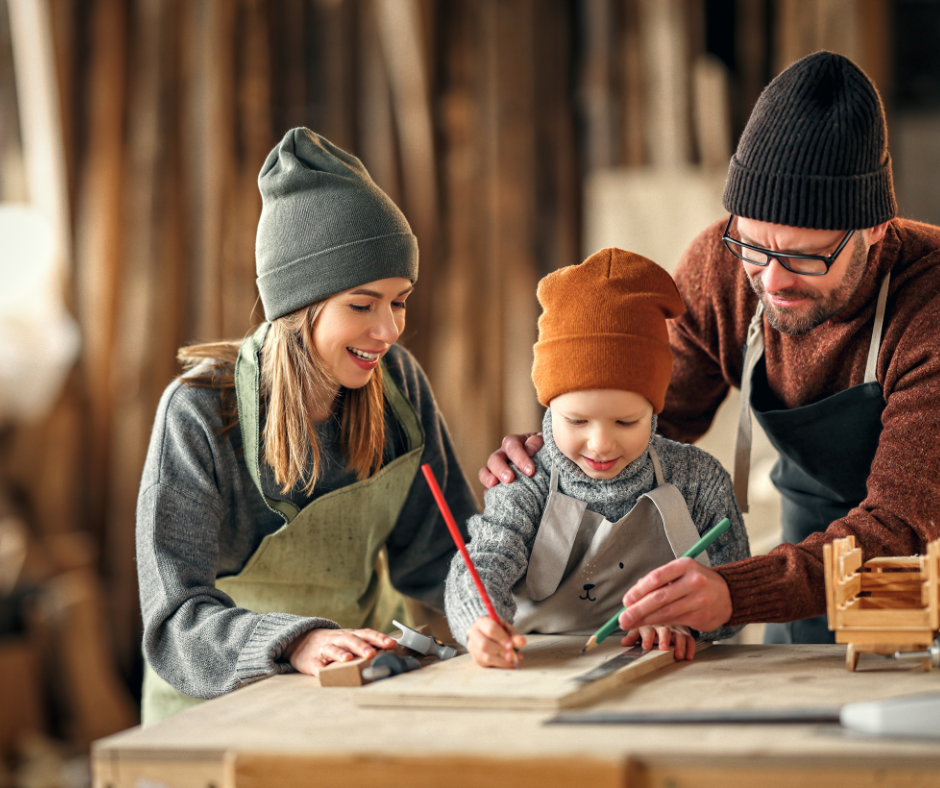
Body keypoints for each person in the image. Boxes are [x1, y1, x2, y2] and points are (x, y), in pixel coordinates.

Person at [481, 51, 940, 645]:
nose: (772, 282)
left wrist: (734, 592)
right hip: (809, 538)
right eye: (753, 245)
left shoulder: (929, 305)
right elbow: (652, 422)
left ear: (875, 228)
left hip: (919, 545)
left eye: (805, 256)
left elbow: (899, 523)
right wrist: (558, 451)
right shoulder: (720, 269)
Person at [136, 128, 477, 724]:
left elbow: (446, 558)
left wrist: (507, 583)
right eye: (362, 304)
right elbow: (175, 619)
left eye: (399, 301)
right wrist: (295, 641)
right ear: (299, 305)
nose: (390, 330)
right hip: (215, 710)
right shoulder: (196, 414)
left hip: (361, 691)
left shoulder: (398, 387)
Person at [445, 248, 749, 668]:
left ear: (656, 411)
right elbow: (486, 562)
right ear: (549, 410)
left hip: (667, 673)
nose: (601, 444)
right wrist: (481, 621)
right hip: (536, 669)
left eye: (626, 422)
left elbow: (737, 591)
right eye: (577, 420)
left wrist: (688, 624)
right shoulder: (526, 480)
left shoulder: (699, 480)